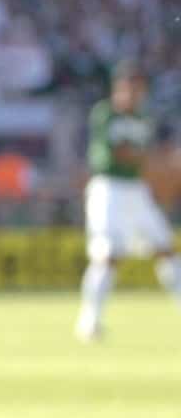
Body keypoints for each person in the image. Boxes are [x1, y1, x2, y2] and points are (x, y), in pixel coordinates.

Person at [75, 61, 181, 342]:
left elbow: (144, 160)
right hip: (109, 188)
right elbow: (120, 153)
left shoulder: (145, 118)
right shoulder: (106, 114)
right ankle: (90, 322)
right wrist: (163, 162)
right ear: (118, 88)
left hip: (136, 190)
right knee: (108, 255)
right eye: (129, 87)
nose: (134, 93)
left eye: (138, 88)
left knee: (166, 250)